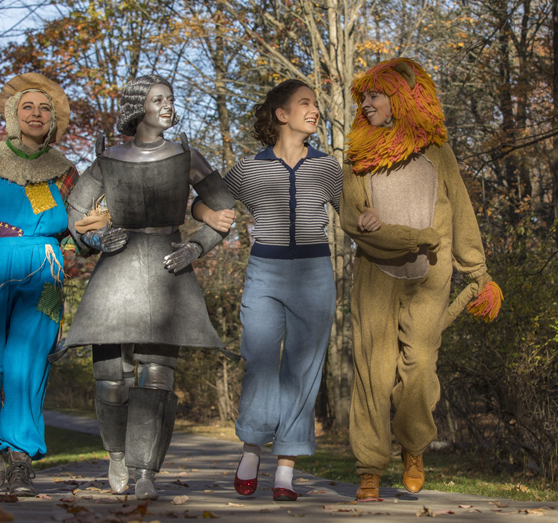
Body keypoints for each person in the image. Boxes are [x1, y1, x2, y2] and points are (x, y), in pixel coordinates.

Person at [62, 74, 236, 500]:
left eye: (170, 99)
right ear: (138, 107)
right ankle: (117, 456)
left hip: (167, 273)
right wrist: (96, 238)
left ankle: (145, 471)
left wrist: (195, 246)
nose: (167, 106)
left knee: (156, 377)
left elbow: (225, 206)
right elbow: (76, 208)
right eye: (158, 99)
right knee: (110, 377)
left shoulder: (187, 156)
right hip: (116, 271)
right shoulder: (108, 158)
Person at [340, 57, 501, 499]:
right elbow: (352, 221)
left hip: (430, 276)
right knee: (372, 372)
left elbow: (461, 210)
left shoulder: (437, 151)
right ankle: (370, 467)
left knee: (420, 367)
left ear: (401, 98)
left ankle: (413, 446)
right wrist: (402, 234)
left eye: (375, 95)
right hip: (375, 275)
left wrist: (477, 269)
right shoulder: (356, 159)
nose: (366, 103)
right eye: (364, 97)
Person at [193, 79, 342, 502]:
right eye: (305, 103)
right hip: (265, 272)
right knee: (259, 361)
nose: (314, 110)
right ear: (281, 114)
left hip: (315, 273)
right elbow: (203, 202)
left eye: (316, 104)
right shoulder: (249, 168)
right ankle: (251, 450)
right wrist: (209, 215)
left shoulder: (328, 167)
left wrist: (367, 219)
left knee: (303, 369)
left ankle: (285, 472)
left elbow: (352, 211)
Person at [0, 73, 79, 496]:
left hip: (45, 272)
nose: (36, 114)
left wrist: (87, 235)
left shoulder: (64, 170)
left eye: (44, 108)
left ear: (53, 118)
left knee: (29, 361)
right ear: (13, 114)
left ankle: (21, 456)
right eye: (28, 107)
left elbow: (80, 227)